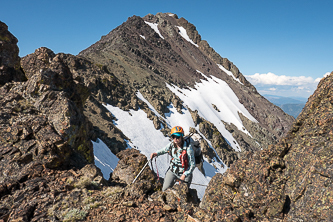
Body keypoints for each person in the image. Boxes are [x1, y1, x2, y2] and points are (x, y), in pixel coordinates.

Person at [150, 126, 195, 191]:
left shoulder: (188, 148)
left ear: (181, 136)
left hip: (184, 172)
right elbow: (164, 150)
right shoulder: (172, 144)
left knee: (182, 192)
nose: (175, 139)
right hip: (173, 170)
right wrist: (156, 153)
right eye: (173, 137)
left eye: (178, 137)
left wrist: (184, 175)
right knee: (164, 190)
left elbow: (192, 165)